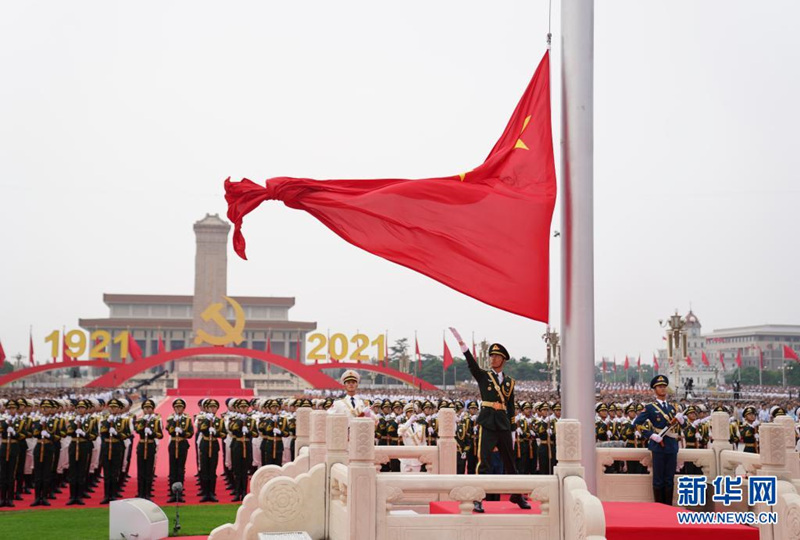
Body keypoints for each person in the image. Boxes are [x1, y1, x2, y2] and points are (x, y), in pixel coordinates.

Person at [449, 327, 530, 513]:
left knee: (510, 461)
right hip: (487, 422)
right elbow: (472, 365)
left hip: (503, 423)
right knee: (483, 460)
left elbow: (510, 405)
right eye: (491, 356)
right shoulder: (484, 376)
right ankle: (478, 498)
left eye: (496, 356)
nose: (492, 359)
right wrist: (462, 345)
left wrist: (512, 428)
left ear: (503, 359)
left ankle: (517, 495)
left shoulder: (510, 382)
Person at [633, 374, 686, 506]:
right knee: (658, 479)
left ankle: (668, 506)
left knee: (669, 478)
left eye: (664, 386)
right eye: (659, 387)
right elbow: (636, 423)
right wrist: (651, 435)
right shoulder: (650, 407)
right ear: (654, 390)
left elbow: (684, 426)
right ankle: (659, 507)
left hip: (672, 445)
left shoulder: (673, 407)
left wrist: (681, 420)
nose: (662, 389)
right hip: (658, 445)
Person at [166, 398, 194, 502]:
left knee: (180, 469)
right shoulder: (170, 418)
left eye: (180, 407)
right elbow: (169, 430)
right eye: (176, 407)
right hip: (173, 443)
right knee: (172, 468)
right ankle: (172, 492)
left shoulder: (187, 419)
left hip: (182, 443)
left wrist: (182, 432)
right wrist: (174, 423)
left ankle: (180, 492)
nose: (178, 409)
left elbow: (190, 433)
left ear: (183, 408)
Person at [134, 399, 163, 499]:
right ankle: (140, 492)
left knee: (149, 470)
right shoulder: (140, 419)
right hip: (142, 445)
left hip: (150, 445)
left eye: (149, 408)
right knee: (141, 470)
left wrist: (152, 433)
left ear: (153, 409)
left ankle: (147, 493)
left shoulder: (156, 420)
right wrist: (143, 422)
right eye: (145, 408)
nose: (147, 410)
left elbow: (160, 434)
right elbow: (137, 430)